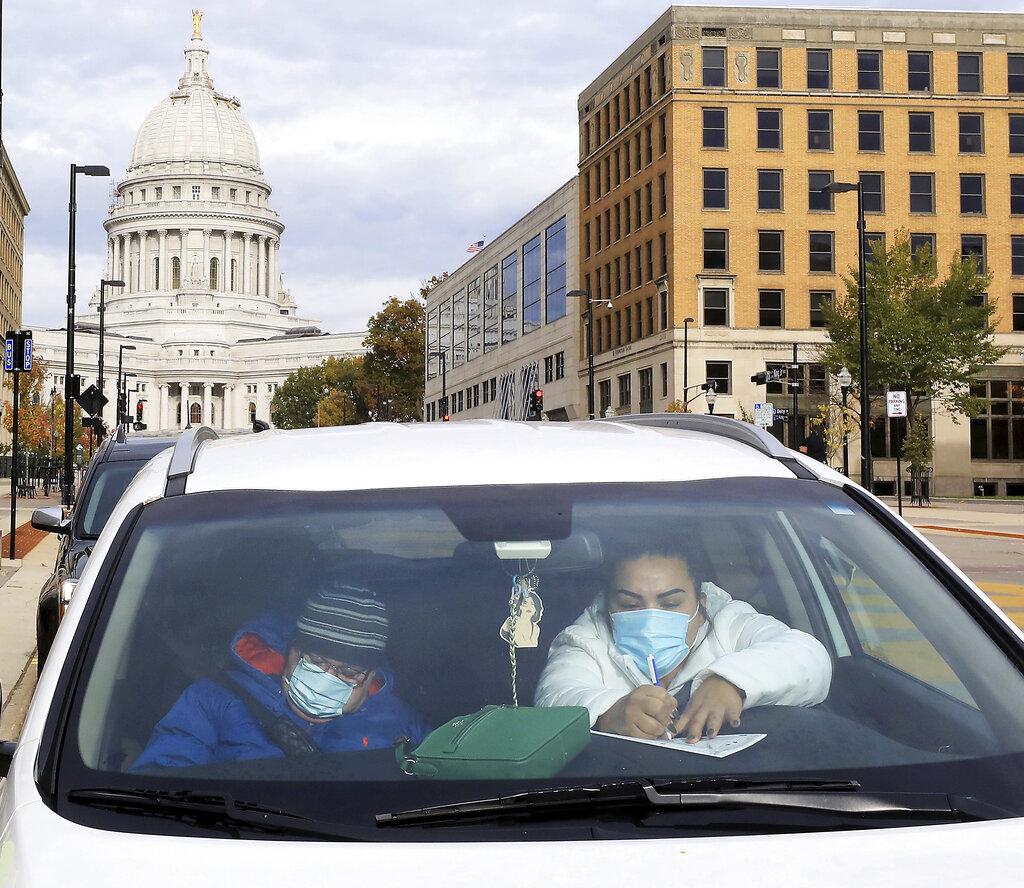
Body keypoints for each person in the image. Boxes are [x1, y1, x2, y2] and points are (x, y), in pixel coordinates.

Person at [534, 550, 831, 742]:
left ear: (700, 605)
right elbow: (555, 694)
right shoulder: (585, 638)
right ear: (608, 608)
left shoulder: (728, 622)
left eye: (671, 603)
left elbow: (810, 656)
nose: (651, 617)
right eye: (629, 604)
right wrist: (610, 711)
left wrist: (731, 682)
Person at [132, 584, 428, 770]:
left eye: (349, 672)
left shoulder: (403, 727)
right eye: (317, 660)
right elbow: (162, 774)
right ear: (292, 653)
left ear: (371, 677)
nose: (328, 678)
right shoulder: (213, 701)